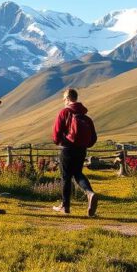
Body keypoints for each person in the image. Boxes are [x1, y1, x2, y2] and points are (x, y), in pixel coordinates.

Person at [52, 88, 97, 217]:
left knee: (66, 177)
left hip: (67, 149)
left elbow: (56, 134)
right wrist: (83, 145)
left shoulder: (64, 112)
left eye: (64, 99)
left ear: (67, 98)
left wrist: (62, 142)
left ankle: (65, 206)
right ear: (76, 98)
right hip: (81, 150)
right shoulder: (85, 117)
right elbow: (93, 138)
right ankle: (90, 193)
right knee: (78, 173)